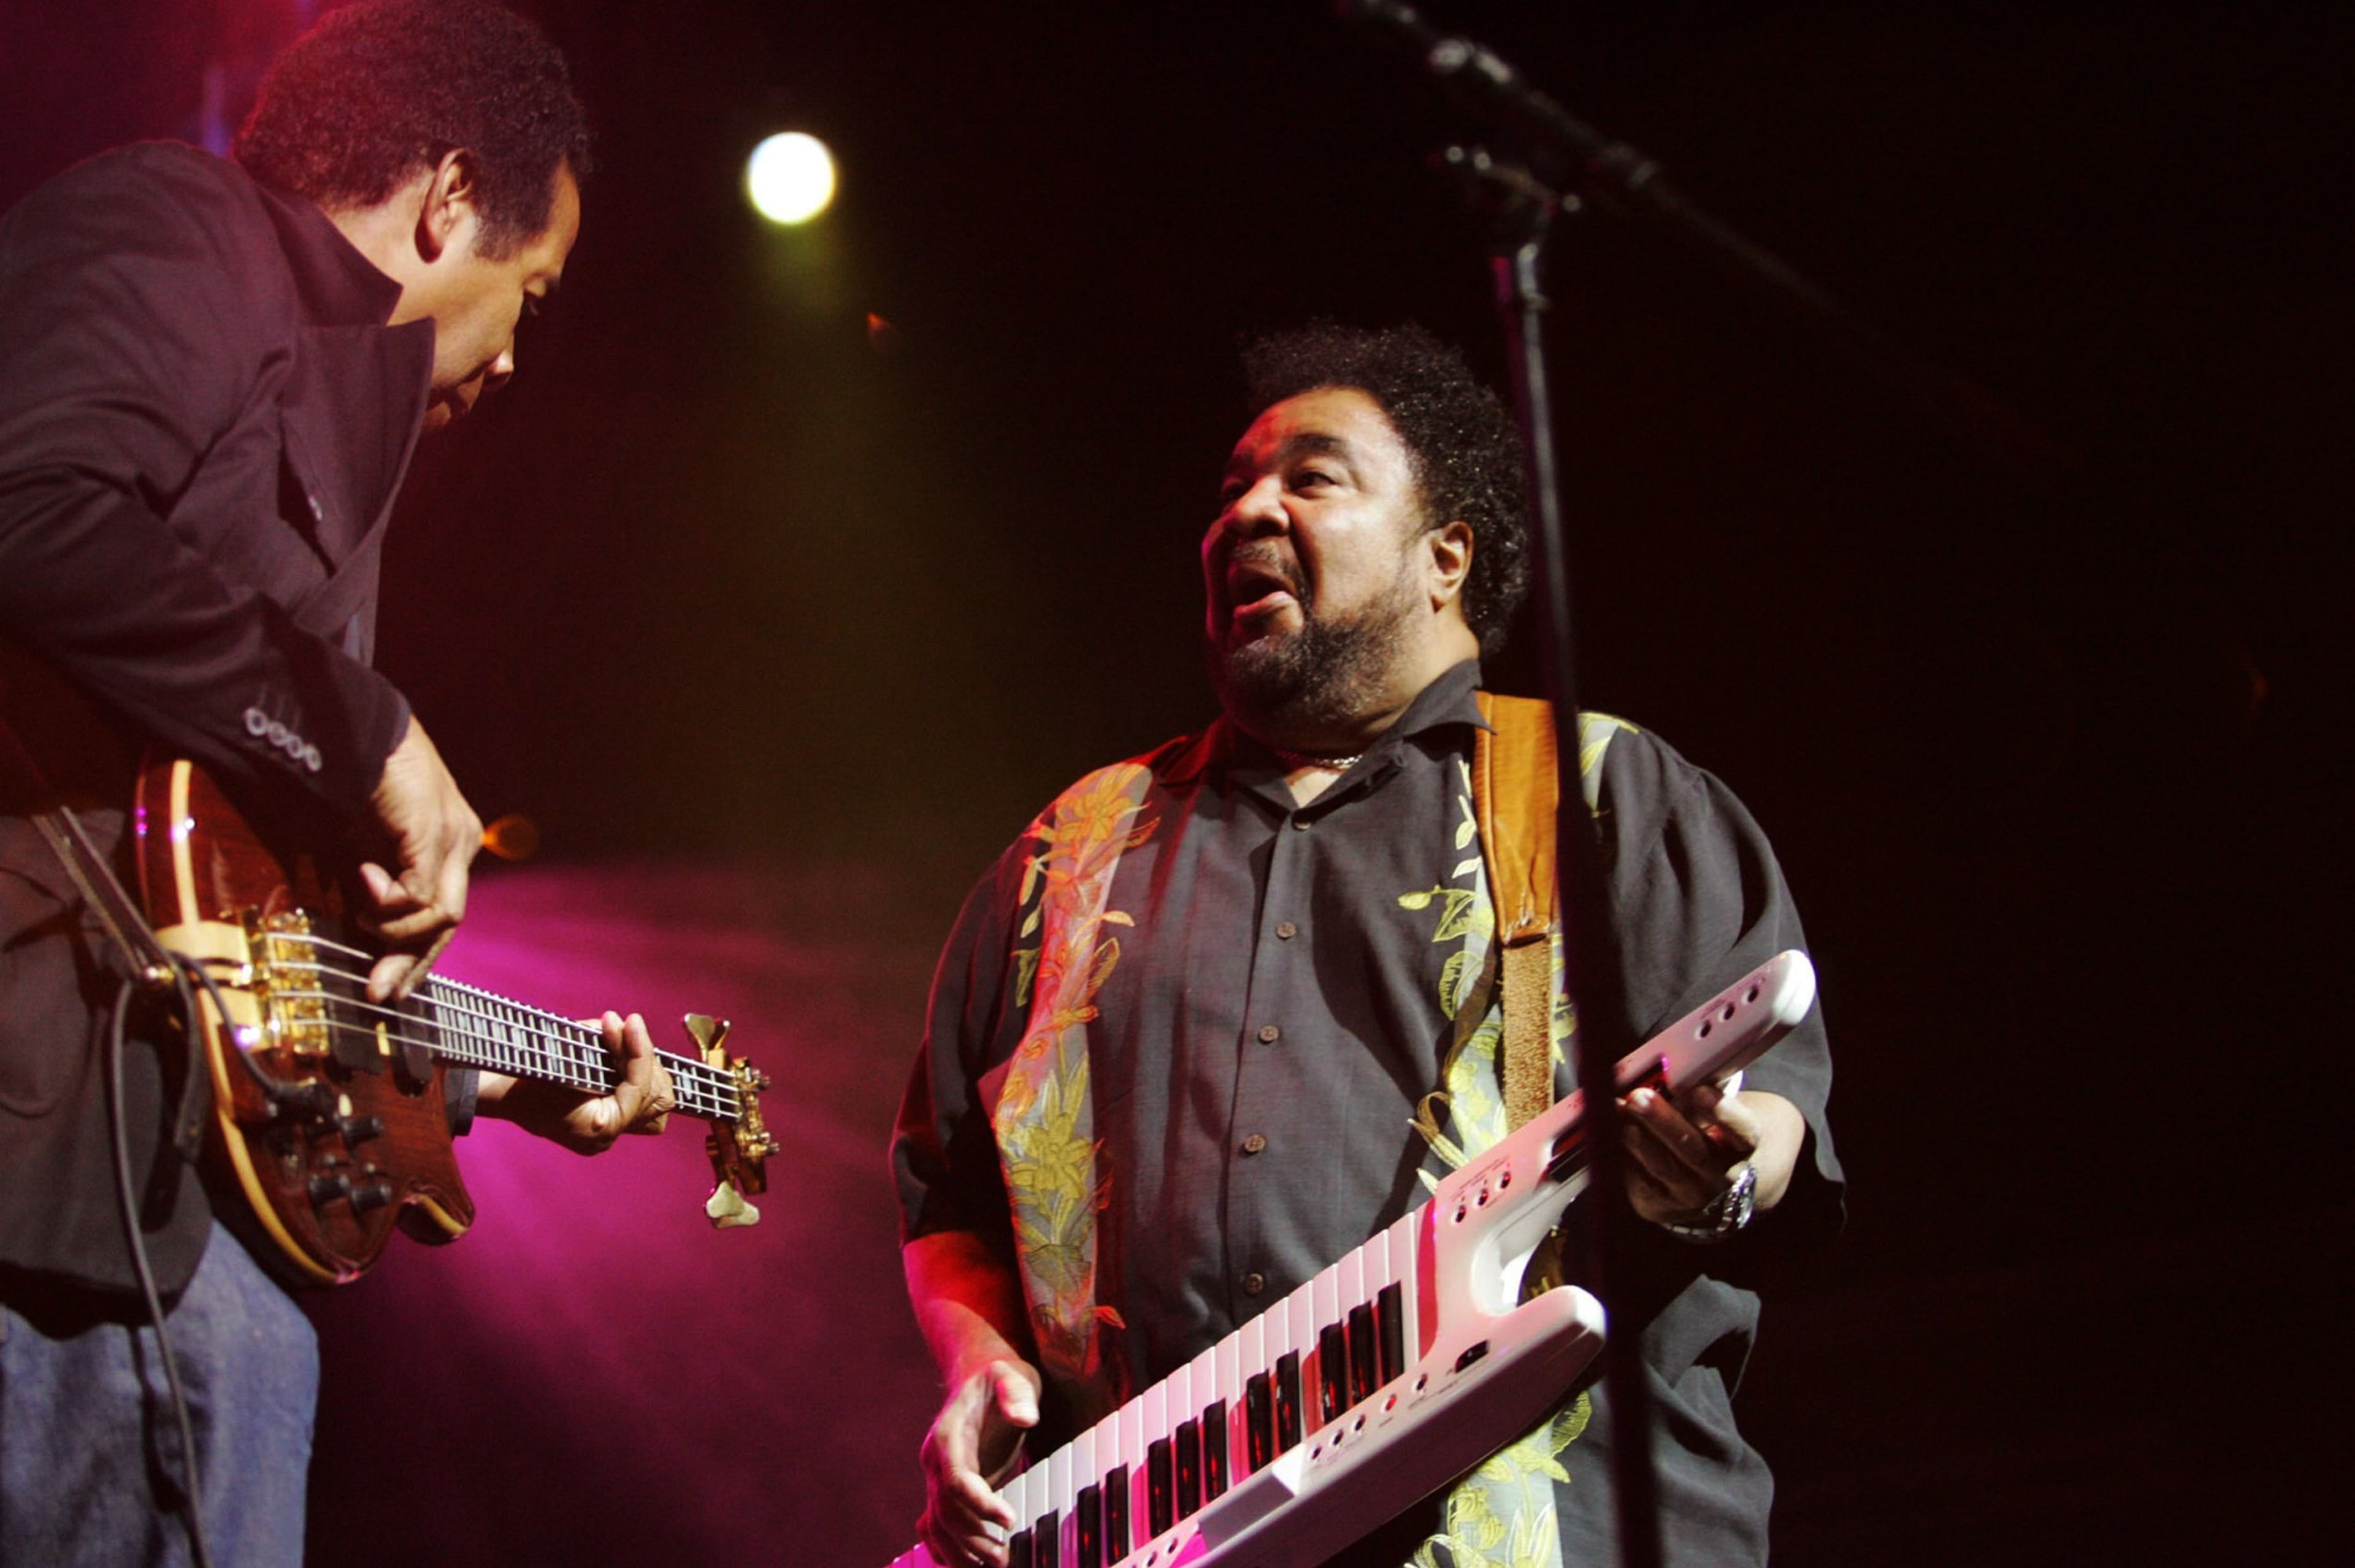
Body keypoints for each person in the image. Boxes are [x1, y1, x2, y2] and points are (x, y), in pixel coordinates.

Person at [892, 323, 1843, 1567]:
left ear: (1446, 554)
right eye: (1231, 489)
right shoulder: (1071, 849)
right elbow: (947, 1196)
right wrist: (980, 1357)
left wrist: (1716, 1166)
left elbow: (1771, 1111)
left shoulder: (1599, 790)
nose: (1244, 515)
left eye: (1311, 478)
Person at [0, 4, 674, 1564]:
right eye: (532, 293)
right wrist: (360, 723)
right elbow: (24, 497)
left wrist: (480, 1079)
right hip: (55, 1229)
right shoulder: (182, 230)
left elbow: (234, 924)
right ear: (446, 202)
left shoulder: (324, 438)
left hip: (159, 1256)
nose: (515, 354)